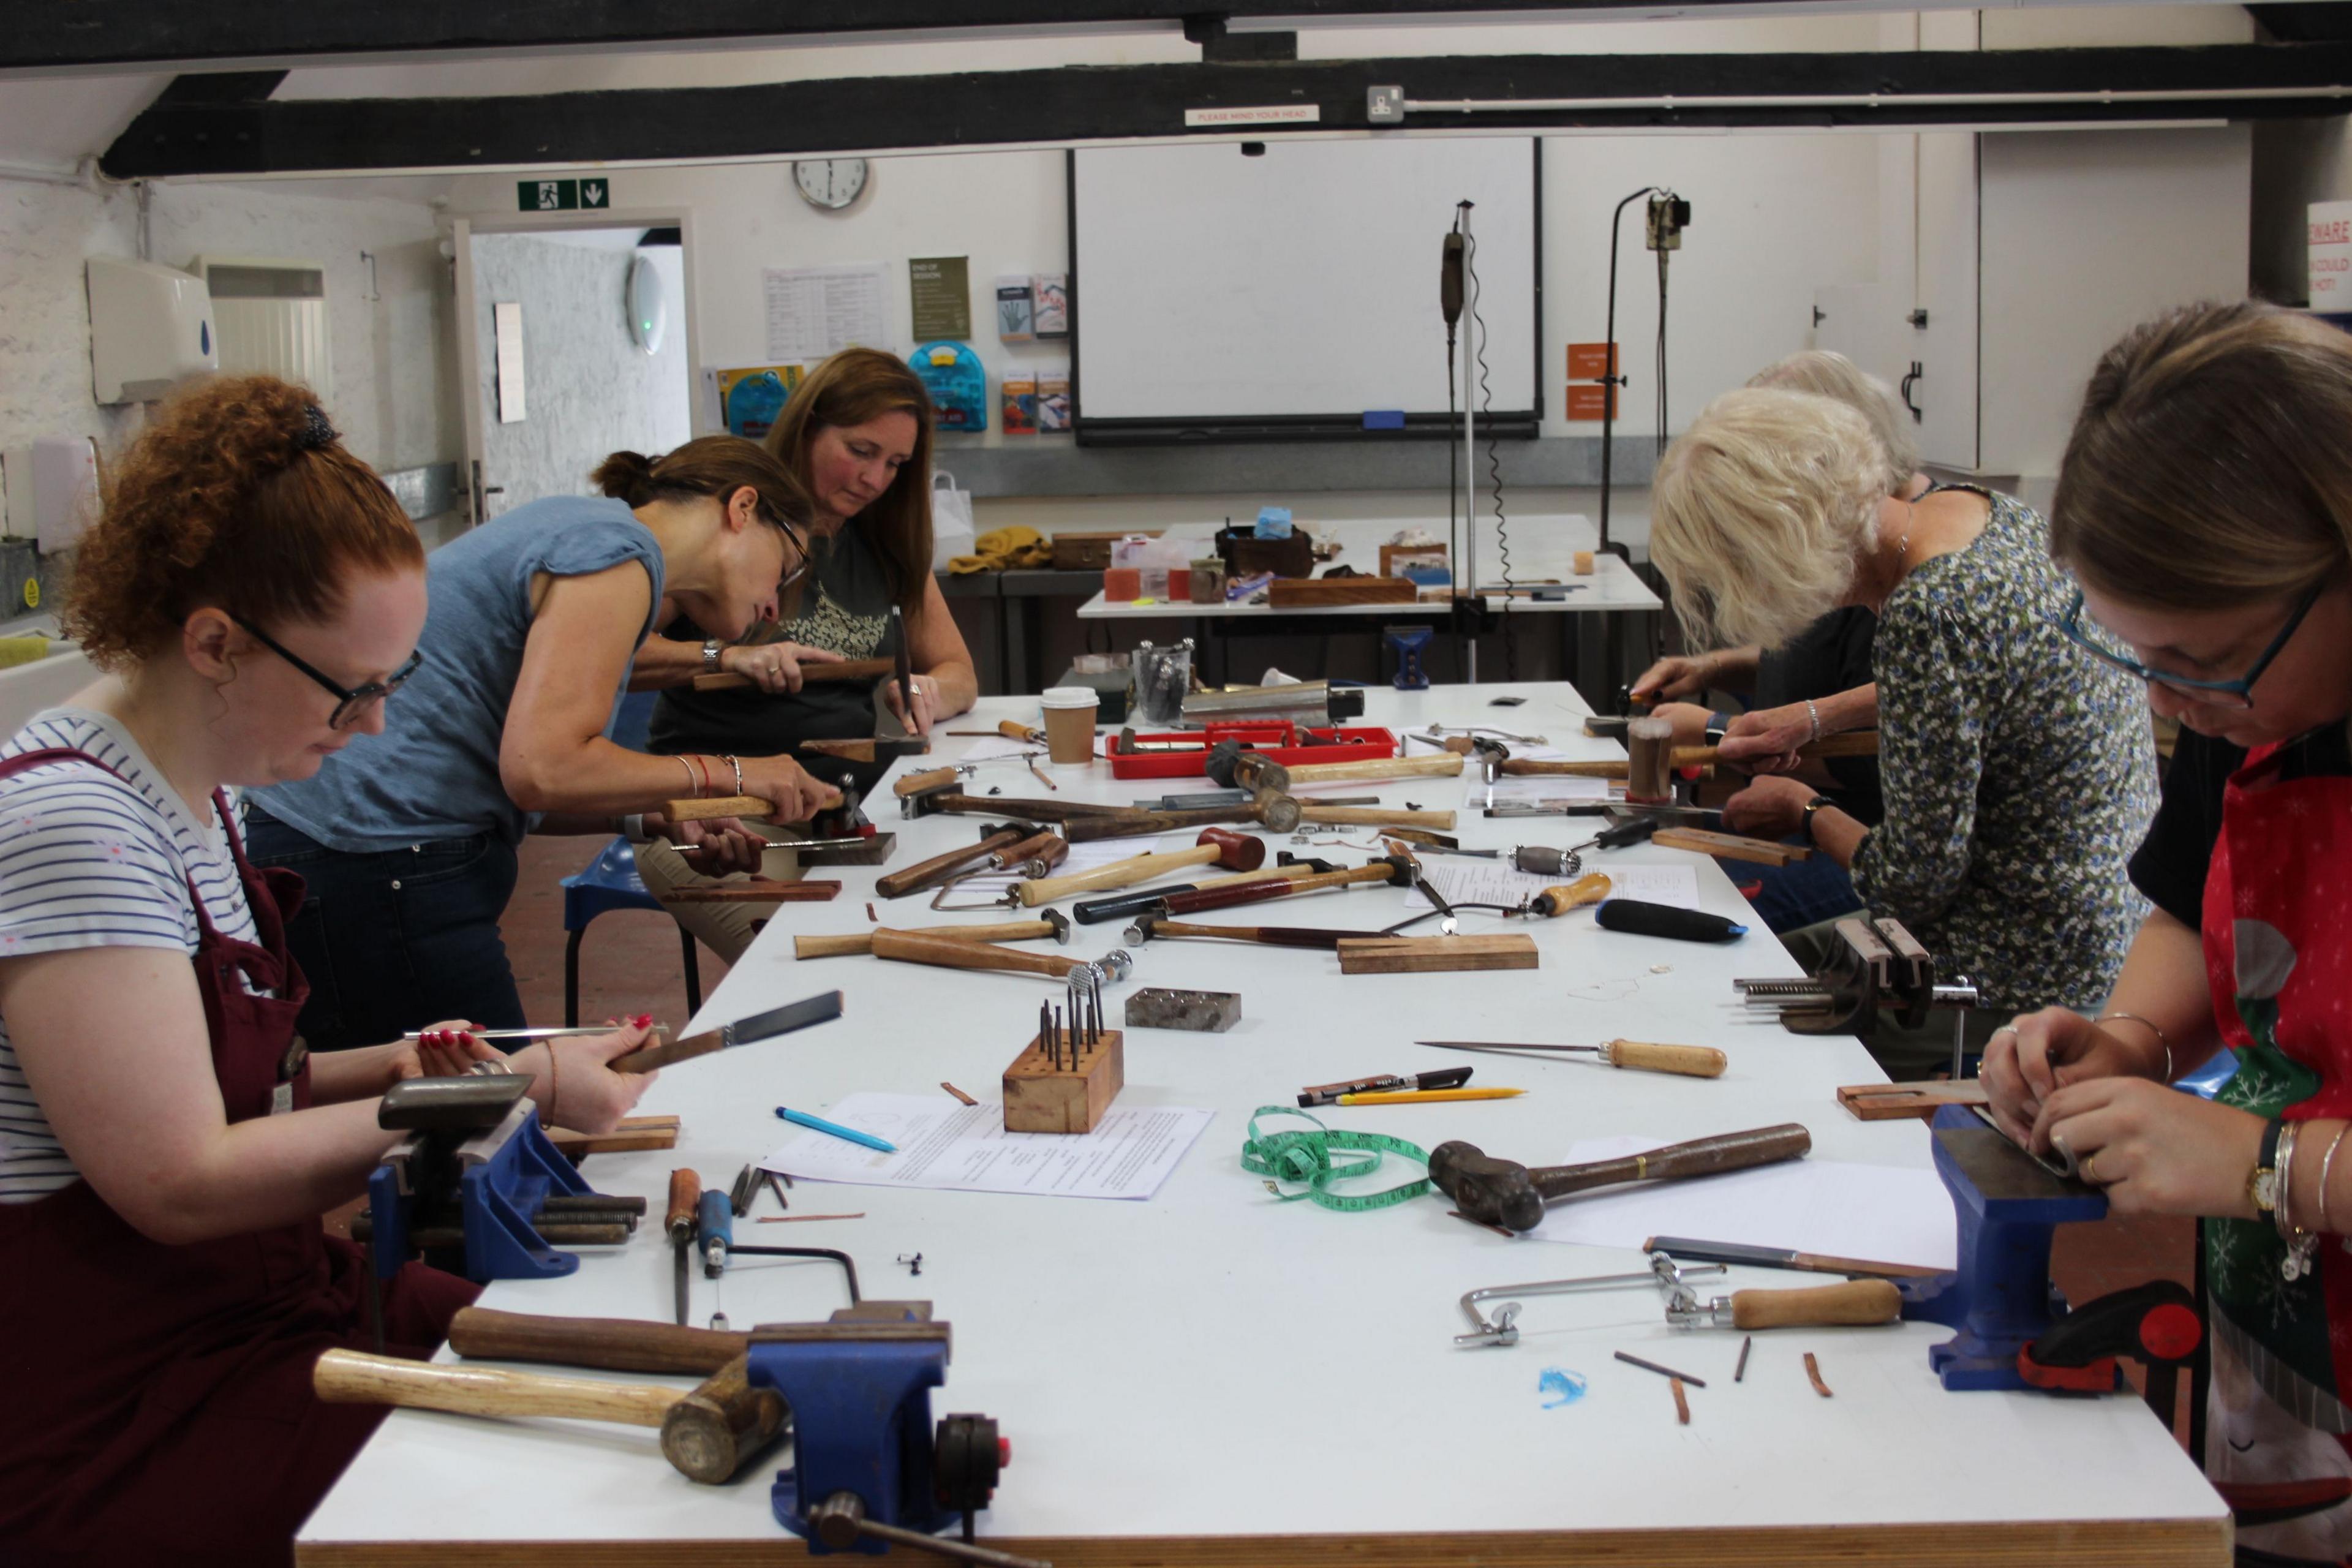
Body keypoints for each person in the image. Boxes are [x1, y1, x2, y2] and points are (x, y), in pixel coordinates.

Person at [0, 377, 658, 1565]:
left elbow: (252, 1087)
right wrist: (516, 1089)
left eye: (390, 687)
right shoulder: (73, 825)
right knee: (564, 1484)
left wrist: (432, 1061)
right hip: (118, 1392)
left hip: (251, 1303)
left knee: (608, 1362)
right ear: (212, 640)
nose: (370, 728)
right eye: (352, 690)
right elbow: (182, 1177)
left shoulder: (205, 802)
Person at [1981, 302, 2352, 1559]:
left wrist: (2267, 1166)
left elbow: (2261, 1158)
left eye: (2207, 658)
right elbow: (2200, 903)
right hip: (2295, 1362)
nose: (2172, 702)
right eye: (2140, 655)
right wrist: (2133, 1037)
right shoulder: (2240, 713)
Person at [244, 437, 837, 1049]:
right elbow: (543, 768)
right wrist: (736, 773)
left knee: (468, 1122)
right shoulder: (615, 553)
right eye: (788, 565)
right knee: (495, 1122)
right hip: (372, 862)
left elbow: (517, 782)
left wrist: (657, 817)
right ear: (742, 507)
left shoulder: (589, 534)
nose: (775, 602)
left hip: (355, 856)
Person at [1647, 384, 2156, 1074]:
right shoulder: (1979, 512)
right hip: (2111, 932)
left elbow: (1909, 883)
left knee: (1708, 1008)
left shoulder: (1928, 613)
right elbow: (1986, 679)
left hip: (2019, 972)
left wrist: (1805, 807)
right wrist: (1820, 713)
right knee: (1724, 962)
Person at [636, 347, 980, 962]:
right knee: (806, 962)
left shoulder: (885, 542)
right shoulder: (725, 530)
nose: (875, 480)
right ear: (809, 426)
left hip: (847, 809)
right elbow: (616, 658)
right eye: (861, 450)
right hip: (723, 813)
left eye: (896, 463)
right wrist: (720, 657)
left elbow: (959, 674)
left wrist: (928, 689)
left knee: (928, 944)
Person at [1631, 351, 1910, 931]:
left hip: (1859, 839)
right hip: (1817, 821)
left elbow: (1880, 762)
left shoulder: (1901, 589)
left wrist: (1720, 735)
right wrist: (1713, 669)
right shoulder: (1861, 563)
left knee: (1677, 911)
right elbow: (1827, 682)